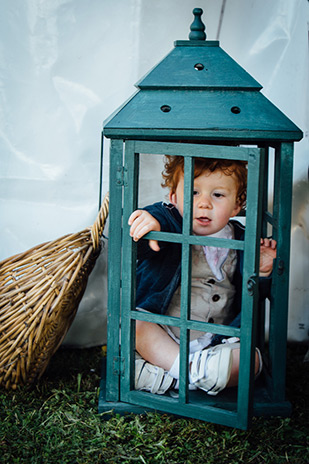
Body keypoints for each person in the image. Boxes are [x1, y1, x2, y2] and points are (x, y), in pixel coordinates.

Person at [128, 156, 276, 396]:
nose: (204, 203)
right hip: (165, 333)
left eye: (218, 195)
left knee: (252, 360)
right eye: (193, 192)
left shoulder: (243, 240)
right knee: (137, 326)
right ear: (174, 199)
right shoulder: (169, 224)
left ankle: (176, 377)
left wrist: (262, 271)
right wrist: (151, 221)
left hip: (216, 342)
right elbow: (157, 221)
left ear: (237, 205)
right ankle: (193, 375)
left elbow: (255, 294)